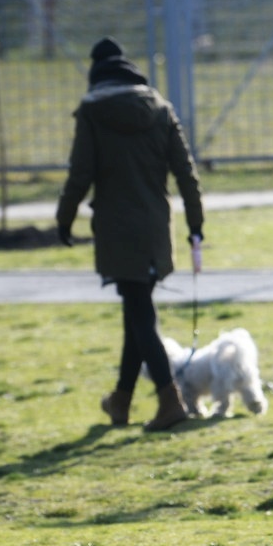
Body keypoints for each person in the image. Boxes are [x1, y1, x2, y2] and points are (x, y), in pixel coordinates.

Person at [56, 37, 204, 432]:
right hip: (156, 227)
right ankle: (120, 400)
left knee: (139, 313)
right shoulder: (160, 107)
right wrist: (195, 224)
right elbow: (186, 173)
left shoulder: (92, 112)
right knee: (135, 310)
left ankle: (169, 400)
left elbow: (80, 173)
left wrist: (64, 218)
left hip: (116, 229)